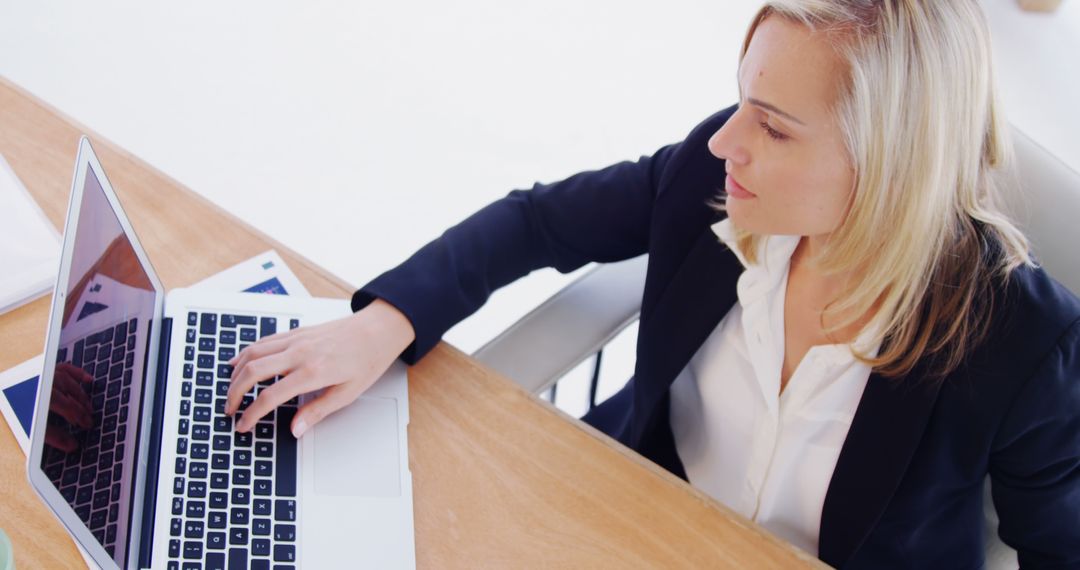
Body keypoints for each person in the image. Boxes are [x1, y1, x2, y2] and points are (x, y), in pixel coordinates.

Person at [225, 0, 1080, 566]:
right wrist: (383, 324)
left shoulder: (1022, 344)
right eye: (742, 100)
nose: (724, 142)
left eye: (774, 129)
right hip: (624, 522)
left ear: (893, 163)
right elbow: (536, 223)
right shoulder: (713, 180)